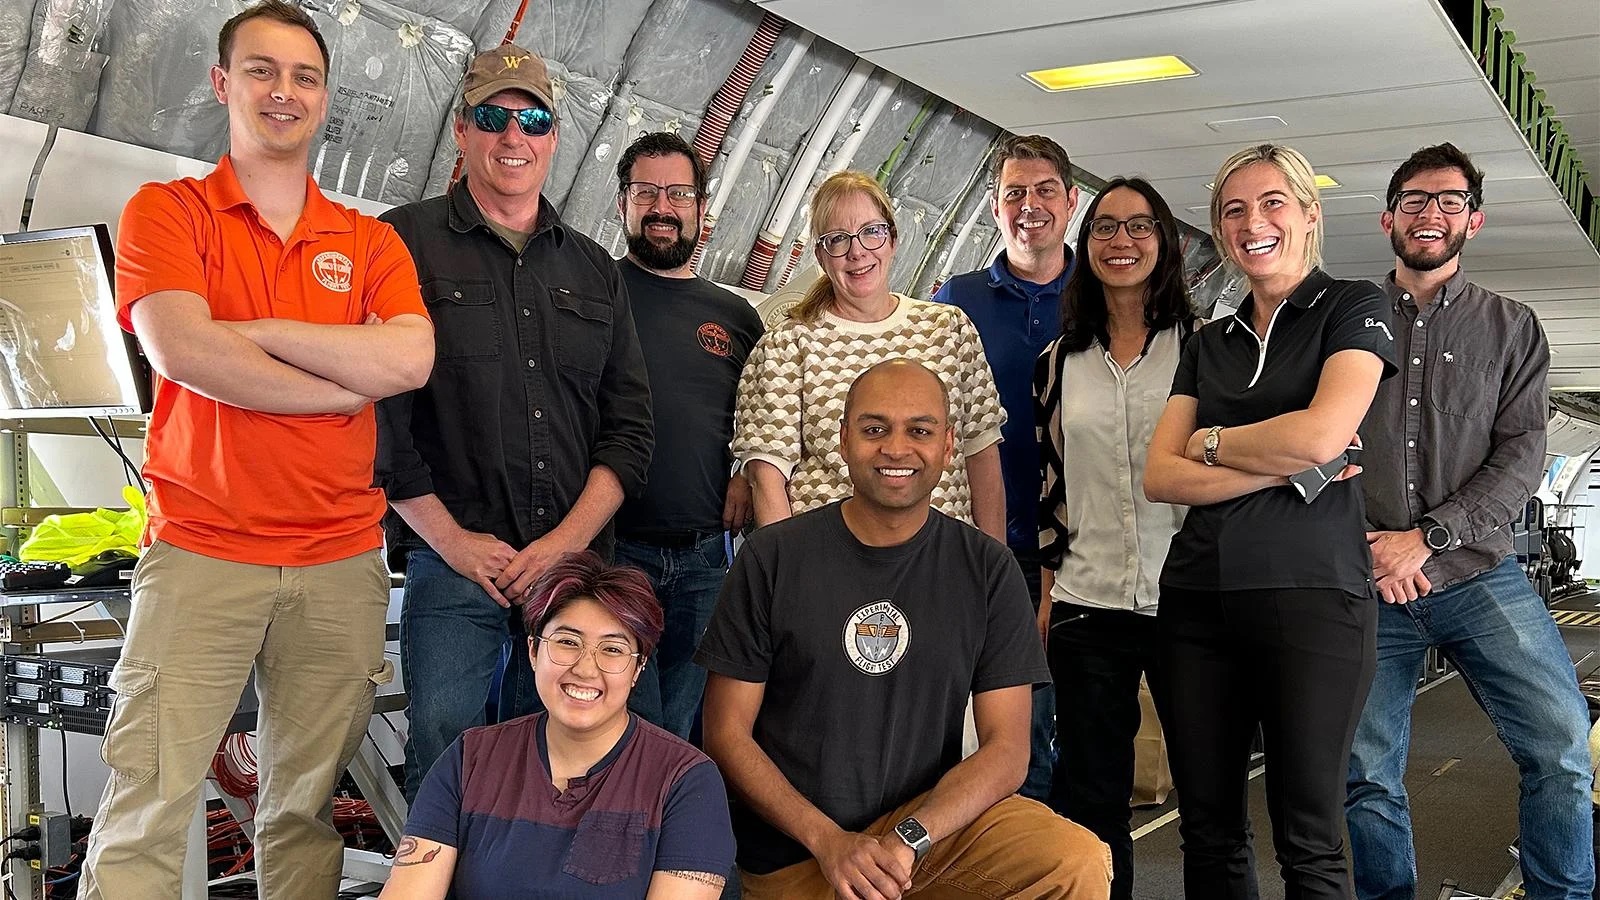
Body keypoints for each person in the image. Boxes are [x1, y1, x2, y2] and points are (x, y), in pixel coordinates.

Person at [79, 2, 433, 896]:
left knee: (304, 814)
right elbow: (185, 352)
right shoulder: (168, 213)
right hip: (203, 553)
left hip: (340, 561)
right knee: (147, 808)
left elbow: (411, 356)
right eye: (263, 71)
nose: (285, 92)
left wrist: (257, 331)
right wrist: (345, 387)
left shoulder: (369, 239)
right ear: (222, 82)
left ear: (324, 97)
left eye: (305, 76)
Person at [700, 358, 1111, 900]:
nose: (896, 449)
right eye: (875, 429)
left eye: (919, 430)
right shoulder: (772, 559)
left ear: (947, 446)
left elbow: (1007, 749)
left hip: (921, 833)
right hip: (799, 851)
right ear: (844, 441)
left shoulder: (988, 569)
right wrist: (829, 841)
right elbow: (725, 734)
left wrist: (909, 838)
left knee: (1075, 861)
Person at [376, 42, 654, 802]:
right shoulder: (400, 241)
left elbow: (628, 430)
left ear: (554, 137)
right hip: (451, 561)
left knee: (567, 750)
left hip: (569, 571)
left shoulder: (595, 269)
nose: (513, 136)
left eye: (532, 119)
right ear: (462, 130)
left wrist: (561, 547)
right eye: (493, 117)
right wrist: (456, 544)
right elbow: (380, 425)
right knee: (444, 743)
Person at [1143, 143, 1396, 899]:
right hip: (1195, 604)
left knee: (1310, 838)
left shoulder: (1353, 306)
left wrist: (1213, 443)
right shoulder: (1209, 343)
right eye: (1234, 210)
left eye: (1273, 202)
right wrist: (1281, 459)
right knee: (1209, 833)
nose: (1254, 222)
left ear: (1309, 213)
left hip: (1313, 599)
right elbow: (1161, 475)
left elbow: (1322, 438)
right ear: (1221, 231)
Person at [1346, 142, 1594, 900]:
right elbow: (1309, 440)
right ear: (1389, 216)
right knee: (1364, 772)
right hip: (1365, 581)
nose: (1432, 214)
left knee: (1559, 747)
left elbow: (1522, 457)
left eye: (1450, 201)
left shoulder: (1512, 329)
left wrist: (1426, 538)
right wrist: (1362, 547)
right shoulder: (1340, 318)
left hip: (1477, 576)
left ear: (1473, 220)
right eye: (1416, 200)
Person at [381, 551, 735, 899]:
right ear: (533, 651)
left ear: (638, 668)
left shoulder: (686, 780)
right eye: (567, 642)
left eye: (612, 649)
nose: (584, 668)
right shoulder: (470, 758)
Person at [1033, 176, 1194, 900]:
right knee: (1092, 800)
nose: (1121, 241)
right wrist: (1044, 591)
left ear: (1166, 241)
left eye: (1138, 226)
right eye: (1104, 228)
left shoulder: (1204, 350)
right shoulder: (1057, 364)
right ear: (1085, 244)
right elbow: (1050, 485)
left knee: (1211, 793)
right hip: (1087, 602)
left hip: (1189, 600)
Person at [732, 171, 1006, 540]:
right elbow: (767, 481)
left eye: (871, 232)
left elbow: (981, 457)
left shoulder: (949, 330)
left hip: (944, 562)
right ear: (820, 257)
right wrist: (795, 577)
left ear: (893, 239)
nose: (857, 251)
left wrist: (993, 568)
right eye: (837, 239)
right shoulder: (787, 345)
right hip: (832, 561)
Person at [935, 133, 1080, 802]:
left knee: (1078, 738)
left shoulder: (1108, 293)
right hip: (984, 550)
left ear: (1072, 201)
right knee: (996, 737)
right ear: (994, 209)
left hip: (1083, 556)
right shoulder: (956, 299)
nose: (1030, 205)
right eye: (1014, 193)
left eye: (1045, 189)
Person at [610, 131, 764, 740]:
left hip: (705, 557)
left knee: (682, 727)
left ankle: (661, 832)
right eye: (646, 192)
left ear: (703, 207)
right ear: (622, 202)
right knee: (625, 718)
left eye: (678, 193)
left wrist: (748, 474)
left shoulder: (736, 316)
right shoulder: (596, 292)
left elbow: (768, 419)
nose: (662, 207)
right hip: (616, 550)